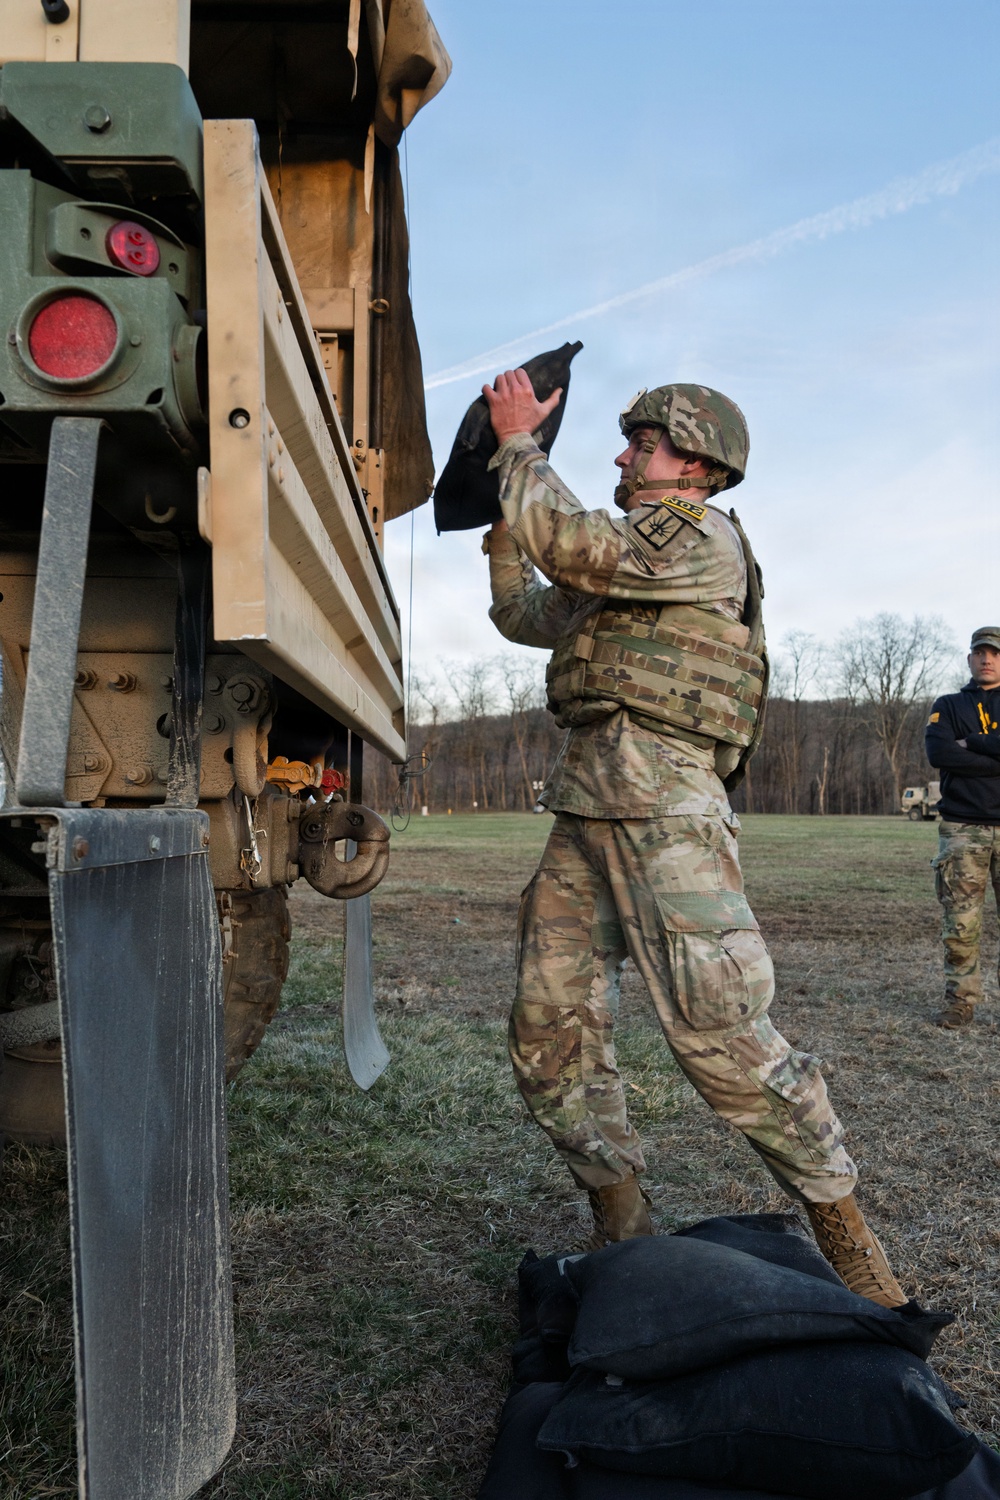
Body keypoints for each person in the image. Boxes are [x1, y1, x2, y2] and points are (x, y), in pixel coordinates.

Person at [480, 369, 906, 1308]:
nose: (624, 456)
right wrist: (503, 545)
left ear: (697, 465)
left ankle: (854, 1249)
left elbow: (576, 542)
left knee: (722, 1035)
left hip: (666, 807)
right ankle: (623, 1236)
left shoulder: (695, 537)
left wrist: (520, 447)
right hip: (588, 803)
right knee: (549, 1029)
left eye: (644, 443)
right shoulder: (629, 563)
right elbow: (531, 615)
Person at [925, 627, 1000, 1029]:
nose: (987, 659)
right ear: (969, 659)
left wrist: (971, 743)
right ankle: (960, 1001)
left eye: (995, 653)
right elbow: (939, 752)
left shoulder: (964, 723)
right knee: (960, 923)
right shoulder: (949, 704)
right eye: (980, 652)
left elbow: (955, 751)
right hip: (962, 827)